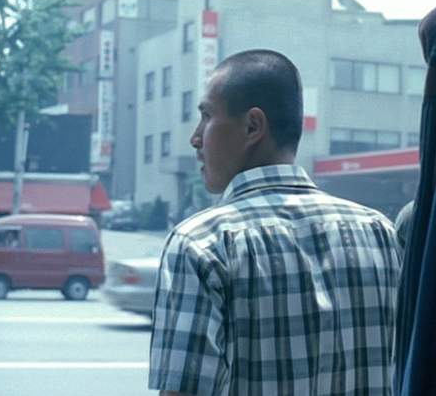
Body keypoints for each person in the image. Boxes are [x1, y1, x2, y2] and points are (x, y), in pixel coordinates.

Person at [149, 49, 401, 396]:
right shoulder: (379, 233)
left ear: (253, 126)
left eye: (207, 116)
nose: (196, 137)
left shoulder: (203, 244)